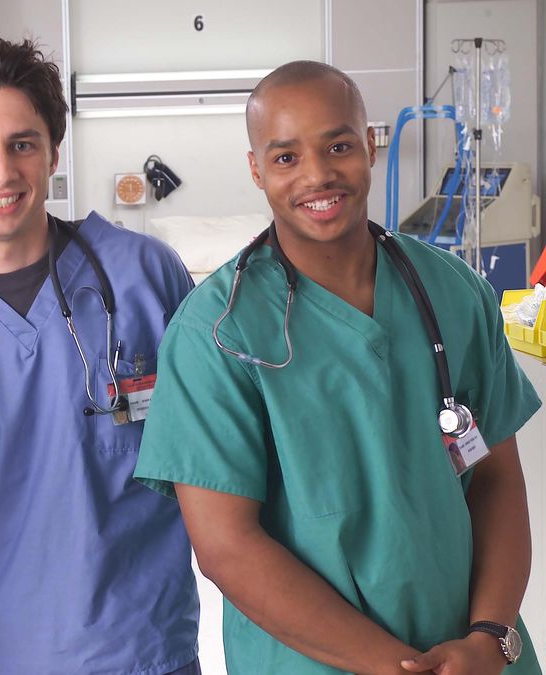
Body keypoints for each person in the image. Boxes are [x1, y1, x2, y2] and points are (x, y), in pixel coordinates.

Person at [133, 60, 541, 675]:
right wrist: (401, 668)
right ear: (256, 170)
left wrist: (490, 635)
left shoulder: (453, 292)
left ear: (370, 146)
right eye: (286, 157)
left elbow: (496, 478)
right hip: (315, 661)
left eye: (339, 146)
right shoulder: (217, 333)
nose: (318, 175)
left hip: (472, 651)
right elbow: (226, 547)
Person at [0, 33, 198, 674]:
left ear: (54, 153)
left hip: (141, 650)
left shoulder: (143, 277)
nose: (1, 172)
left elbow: (205, 448)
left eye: (22, 144)